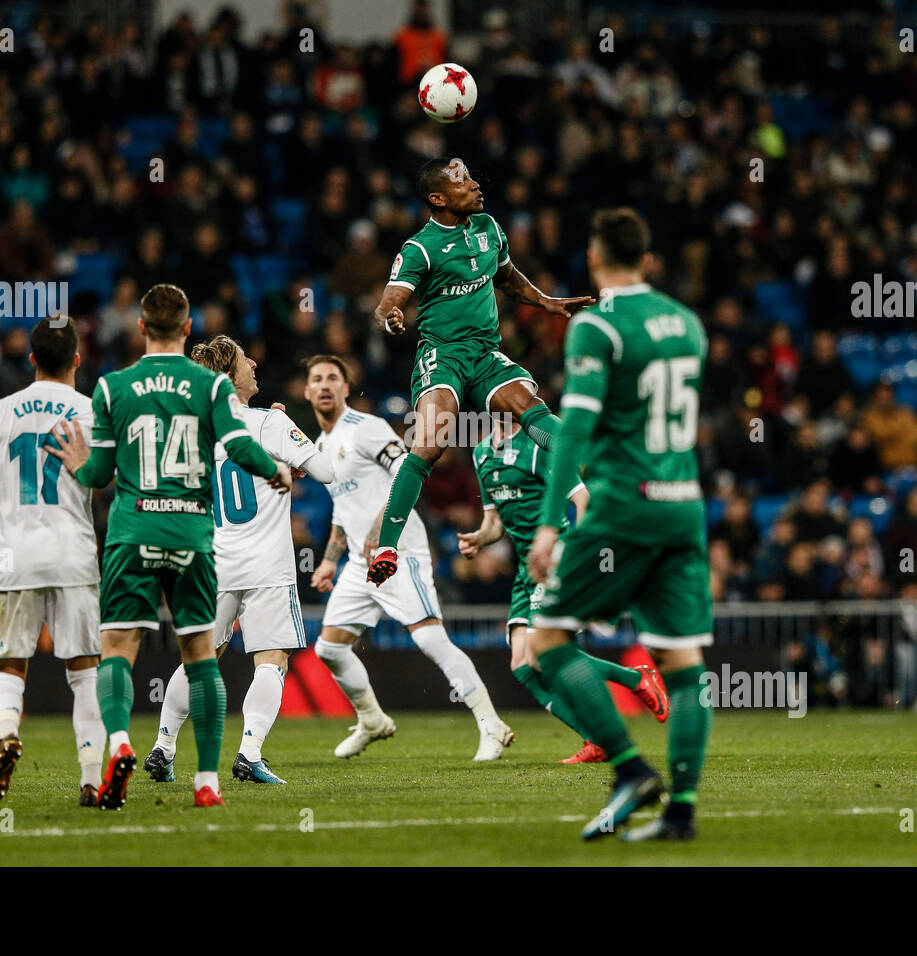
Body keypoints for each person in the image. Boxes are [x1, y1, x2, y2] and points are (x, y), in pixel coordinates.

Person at [47, 285, 292, 809]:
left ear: (139, 328)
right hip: (191, 535)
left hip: (133, 532)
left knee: (117, 650)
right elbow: (241, 444)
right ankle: (207, 781)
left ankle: (120, 744)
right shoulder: (210, 388)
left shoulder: (113, 387)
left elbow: (100, 473)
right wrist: (273, 469)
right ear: (186, 328)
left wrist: (76, 462)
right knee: (203, 656)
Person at [527, 208, 713, 842]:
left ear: (595, 258)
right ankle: (681, 812)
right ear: (649, 258)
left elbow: (573, 427)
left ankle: (631, 769)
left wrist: (550, 529)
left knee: (545, 643)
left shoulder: (596, 327)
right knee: (684, 665)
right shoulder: (688, 324)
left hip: (623, 506)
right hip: (684, 503)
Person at [367, 156, 594, 587]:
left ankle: (584, 457)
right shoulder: (420, 248)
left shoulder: (488, 229)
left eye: (471, 177)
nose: (474, 185)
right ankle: (387, 546)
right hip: (443, 355)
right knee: (430, 444)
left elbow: (506, 277)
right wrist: (391, 316)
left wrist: (545, 301)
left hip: (485, 353)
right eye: (461, 181)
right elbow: (386, 303)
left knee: (529, 406)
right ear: (438, 199)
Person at [144, 335, 337, 785]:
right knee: (272, 660)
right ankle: (250, 753)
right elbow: (327, 471)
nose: (253, 361)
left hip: (214, 564)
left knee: (200, 659)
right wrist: (294, 445)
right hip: (267, 565)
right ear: (231, 377)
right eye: (244, 359)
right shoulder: (268, 422)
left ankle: (163, 745)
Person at [305, 355, 513, 760]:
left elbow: (408, 469)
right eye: (317, 379)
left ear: (346, 389)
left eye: (334, 377)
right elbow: (340, 507)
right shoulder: (321, 446)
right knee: (329, 649)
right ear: (308, 390)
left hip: (395, 550)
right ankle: (372, 720)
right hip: (358, 561)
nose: (325, 384)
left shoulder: (365, 428)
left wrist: (381, 525)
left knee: (429, 637)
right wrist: (331, 558)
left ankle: (492, 724)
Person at [459, 416, 669, 762]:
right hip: (525, 569)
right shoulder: (482, 452)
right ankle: (599, 734)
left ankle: (635, 680)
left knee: (542, 655)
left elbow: (582, 499)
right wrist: (479, 539)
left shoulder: (539, 446)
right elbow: (494, 521)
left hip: (555, 561)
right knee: (522, 665)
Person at [0, 317, 105, 807]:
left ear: (31, 359)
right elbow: (110, 480)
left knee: (9, 667)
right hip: (73, 554)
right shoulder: (90, 412)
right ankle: (89, 781)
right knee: (85, 672)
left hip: (14, 556)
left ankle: (7, 736)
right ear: (77, 361)